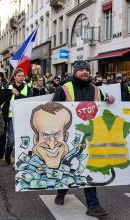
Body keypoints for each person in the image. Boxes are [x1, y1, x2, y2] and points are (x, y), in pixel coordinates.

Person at [53, 60, 115, 217]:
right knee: (68, 166)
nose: (85, 72)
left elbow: (101, 106)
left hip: (89, 137)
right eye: (81, 70)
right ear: (75, 72)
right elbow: (53, 110)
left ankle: (93, 205)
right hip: (69, 137)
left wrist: (109, 100)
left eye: (87, 70)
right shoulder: (64, 89)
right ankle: (61, 192)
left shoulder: (95, 90)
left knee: (87, 168)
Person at [6, 68, 32, 164]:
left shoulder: (27, 88)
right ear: (14, 77)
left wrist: (18, 94)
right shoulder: (8, 88)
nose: (21, 78)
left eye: (22, 76)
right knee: (11, 141)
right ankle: (7, 153)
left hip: (23, 117)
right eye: (19, 76)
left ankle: (19, 160)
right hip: (11, 117)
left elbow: (29, 101)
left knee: (21, 141)